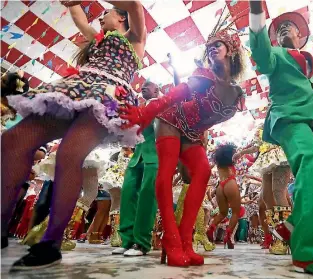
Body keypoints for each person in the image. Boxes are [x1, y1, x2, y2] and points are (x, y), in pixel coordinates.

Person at [1, 1, 146, 270]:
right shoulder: (98, 39)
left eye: (107, 13)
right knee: (11, 141)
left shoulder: (135, 39)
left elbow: (136, 6)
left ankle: (51, 242)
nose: (101, 18)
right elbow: (79, 16)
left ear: (122, 19)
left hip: (109, 97)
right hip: (78, 87)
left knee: (69, 155)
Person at [120, 6, 245, 267]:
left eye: (218, 44)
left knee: (203, 172)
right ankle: (172, 239)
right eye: (209, 46)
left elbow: (207, 118)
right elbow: (172, 97)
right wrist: (144, 115)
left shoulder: (237, 94)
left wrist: (201, 139)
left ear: (232, 49)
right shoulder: (203, 76)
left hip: (193, 131)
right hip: (171, 120)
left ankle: (186, 241)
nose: (211, 48)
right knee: (164, 174)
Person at [248, 1, 313, 277]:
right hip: (288, 118)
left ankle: (293, 225)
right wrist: (257, 11)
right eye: (280, 27)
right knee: (311, 159)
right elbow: (260, 53)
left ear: (301, 35)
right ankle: (309, 255)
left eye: (290, 26)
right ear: (276, 38)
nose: (285, 28)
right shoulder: (274, 56)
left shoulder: (308, 61)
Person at [111, 82, 160, 257]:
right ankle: (127, 240)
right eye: (143, 85)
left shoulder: (163, 105)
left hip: (155, 156)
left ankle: (141, 243)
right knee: (127, 193)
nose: (144, 87)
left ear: (157, 90)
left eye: (149, 86)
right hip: (136, 156)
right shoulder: (138, 107)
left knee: (147, 195)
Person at [234, 124, 292, 254]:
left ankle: (288, 236)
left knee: (278, 193)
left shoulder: (282, 118)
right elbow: (258, 146)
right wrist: (242, 153)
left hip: (280, 155)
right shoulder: (261, 126)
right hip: (265, 159)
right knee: (266, 197)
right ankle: (277, 232)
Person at [206, 144, 242, 249]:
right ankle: (228, 236)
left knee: (222, 212)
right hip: (230, 182)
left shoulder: (218, 163)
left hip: (220, 186)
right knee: (236, 212)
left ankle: (211, 229)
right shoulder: (232, 159)